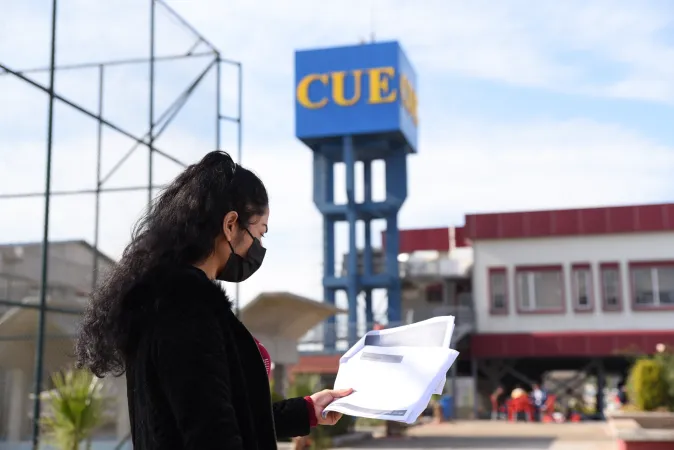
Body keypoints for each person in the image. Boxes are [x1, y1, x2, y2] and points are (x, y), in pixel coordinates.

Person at [75, 151, 352, 450]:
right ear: (231, 224)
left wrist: (309, 409)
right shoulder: (187, 308)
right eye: (259, 233)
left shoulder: (161, 299)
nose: (258, 247)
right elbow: (212, 435)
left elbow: (223, 415)